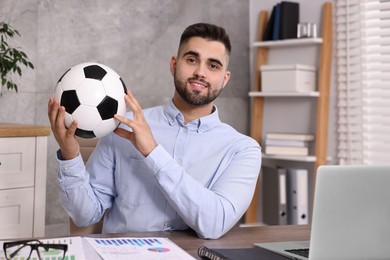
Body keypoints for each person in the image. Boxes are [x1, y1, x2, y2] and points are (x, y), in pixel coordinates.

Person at [48, 23, 261, 239]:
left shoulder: (243, 149)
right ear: (173, 65)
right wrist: (70, 155)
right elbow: (85, 216)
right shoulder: (123, 126)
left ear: (225, 79)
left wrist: (152, 151)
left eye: (213, 66)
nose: (200, 72)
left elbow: (214, 224)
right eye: (191, 60)